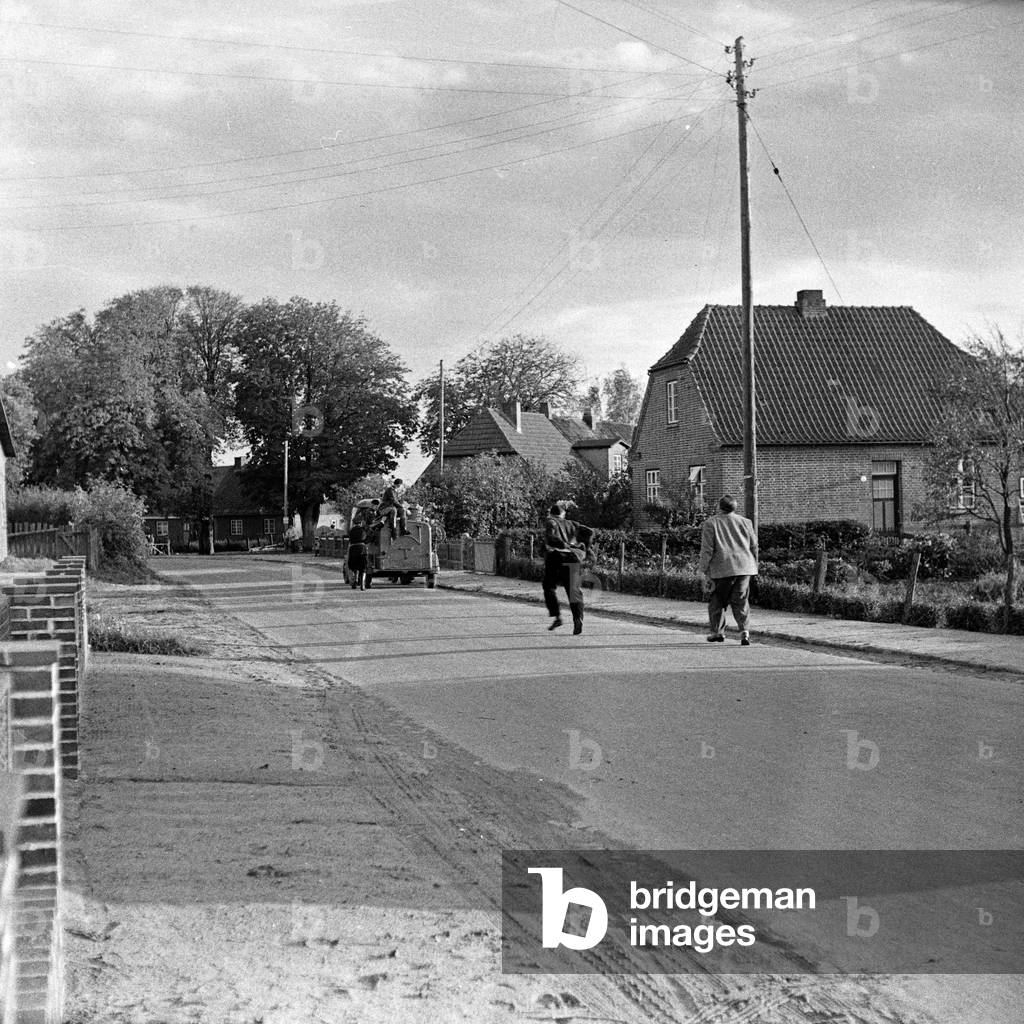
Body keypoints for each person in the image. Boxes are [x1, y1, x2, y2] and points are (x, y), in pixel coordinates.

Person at [699, 493, 758, 645]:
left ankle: (717, 632)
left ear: (719, 507)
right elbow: (754, 546)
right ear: (734, 507)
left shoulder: (711, 523)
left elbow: (707, 550)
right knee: (741, 600)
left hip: (721, 568)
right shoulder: (746, 522)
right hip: (745, 567)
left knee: (717, 601)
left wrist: (702, 570)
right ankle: (744, 632)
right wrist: (754, 564)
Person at [542, 502, 592, 636]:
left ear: (551, 514)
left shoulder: (550, 521)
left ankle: (557, 616)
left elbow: (551, 537)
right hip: (573, 558)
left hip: (556, 556)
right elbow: (589, 532)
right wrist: (586, 548)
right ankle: (578, 619)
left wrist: (561, 543)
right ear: (563, 514)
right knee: (574, 590)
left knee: (548, 586)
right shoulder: (572, 524)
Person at [347, 520, 368, 590]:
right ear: (360, 523)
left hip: (352, 549)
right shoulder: (363, 529)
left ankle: (354, 582)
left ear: (354, 524)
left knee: (353, 567)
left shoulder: (351, 531)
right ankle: (362, 584)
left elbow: (350, 539)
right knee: (363, 568)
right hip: (362, 549)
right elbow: (366, 537)